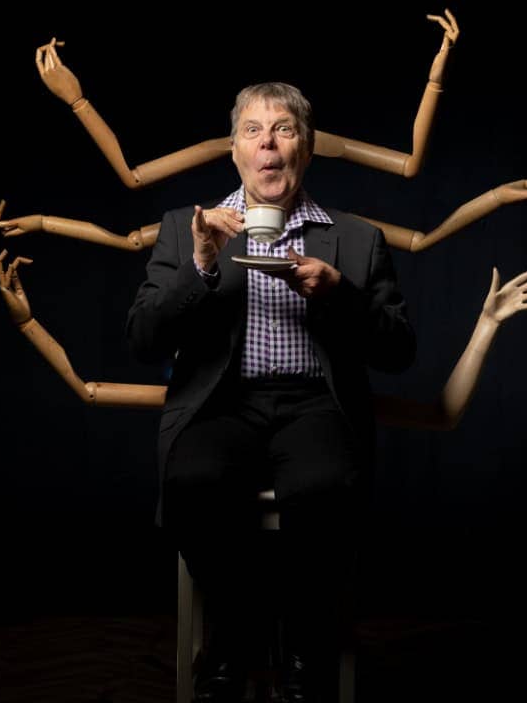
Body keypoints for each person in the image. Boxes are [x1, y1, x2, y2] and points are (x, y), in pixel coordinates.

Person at [128, 83, 414, 703]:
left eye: (284, 130)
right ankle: (235, 638)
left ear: (305, 150)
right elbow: (143, 340)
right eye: (254, 132)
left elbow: (399, 351)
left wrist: (340, 292)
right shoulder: (187, 229)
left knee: (327, 487)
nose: (269, 145)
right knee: (193, 482)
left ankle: (306, 649)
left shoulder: (357, 239)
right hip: (221, 404)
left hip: (315, 406)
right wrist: (202, 267)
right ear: (234, 151)